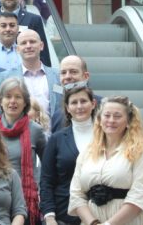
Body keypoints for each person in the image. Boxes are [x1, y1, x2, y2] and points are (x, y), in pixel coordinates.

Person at [68, 96, 143, 225]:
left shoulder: (138, 153)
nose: (111, 120)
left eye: (117, 116)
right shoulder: (87, 153)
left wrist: (109, 224)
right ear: (99, 120)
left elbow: (139, 195)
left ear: (128, 121)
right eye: (107, 115)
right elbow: (76, 194)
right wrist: (93, 223)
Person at [40, 85, 98, 225]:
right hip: (65, 214)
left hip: (101, 212)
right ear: (67, 108)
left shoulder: (107, 136)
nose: (79, 106)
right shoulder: (56, 139)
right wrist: (49, 216)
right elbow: (46, 180)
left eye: (83, 101)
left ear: (93, 104)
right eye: (74, 102)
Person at [0, 77, 46, 225]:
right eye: (8, 96)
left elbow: (48, 165)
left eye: (18, 97)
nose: (12, 101)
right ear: (0, 101)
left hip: (25, 202)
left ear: (25, 102)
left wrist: (38, 186)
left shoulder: (35, 130)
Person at [0, 29, 62, 132]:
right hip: (17, 137)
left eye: (32, 42)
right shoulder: (6, 77)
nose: (28, 46)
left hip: (54, 137)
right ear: (17, 49)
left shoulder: (58, 76)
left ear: (41, 45)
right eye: (23, 43)